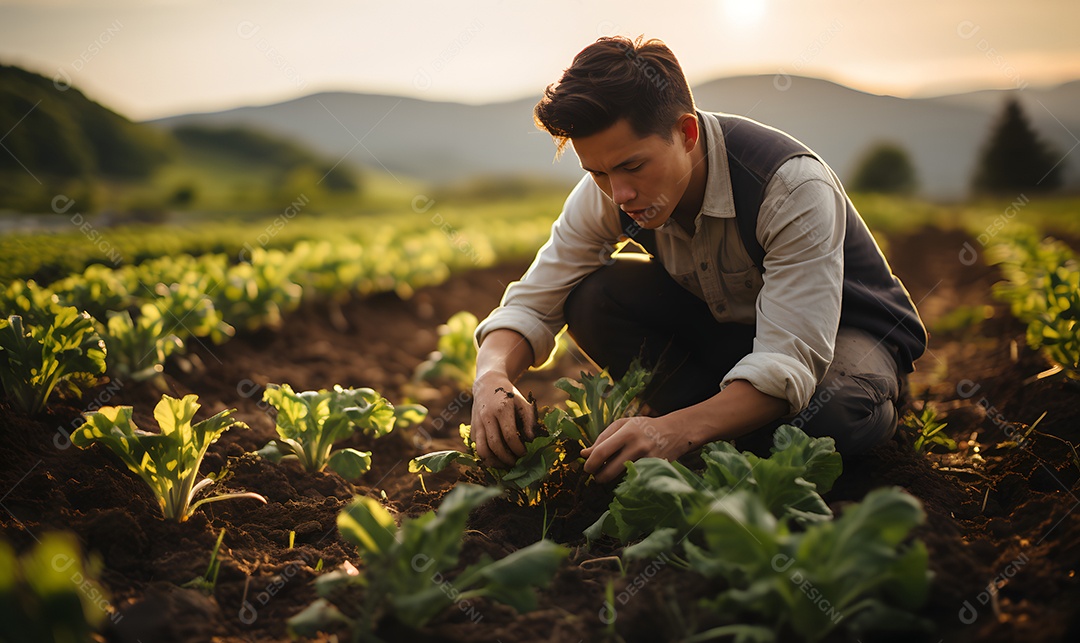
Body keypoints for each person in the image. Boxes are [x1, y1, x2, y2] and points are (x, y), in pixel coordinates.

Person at [470, 36, 927, 483]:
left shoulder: (790, 187)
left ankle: (729, 427)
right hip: (737, 338)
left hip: (842, 340)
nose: (619, 193)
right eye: (598, 172)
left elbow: (789, 361)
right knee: (592, 296)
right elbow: (534, 301)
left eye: (633, 166)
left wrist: (672, 431)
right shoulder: (609, 189)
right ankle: (718, 426)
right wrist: (491, 378)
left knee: (830, 417)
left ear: (687, 133)